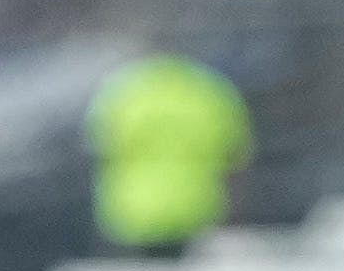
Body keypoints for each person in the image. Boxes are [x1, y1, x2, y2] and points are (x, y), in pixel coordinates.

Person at [86, 46, 253, 259]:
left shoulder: (125, 93)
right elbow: (235, 151)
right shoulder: (208, 92)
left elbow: (100, 145)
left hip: (134, 210)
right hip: (194, 208)